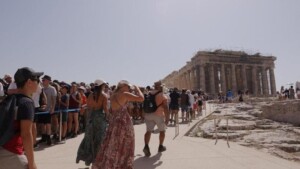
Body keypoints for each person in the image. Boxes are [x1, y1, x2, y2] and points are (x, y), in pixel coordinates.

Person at [92, 80, 144, 169]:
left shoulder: (113, 95)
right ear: (123, 86)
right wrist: (137, 89)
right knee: (125, 144)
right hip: (123, 122)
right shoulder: (125, 94)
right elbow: (141, 98)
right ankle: (122, 165)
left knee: (112, 144)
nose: (129, 88)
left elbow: (111, 110)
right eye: (128, 86)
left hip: (114, 122)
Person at [0, 67, 43, 169]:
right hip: (12, 153)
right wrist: (32, 163)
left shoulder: (10, 99)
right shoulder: (27, 102)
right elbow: (26, 134)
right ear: (29, 82)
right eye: (37, 79)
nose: (39, 83)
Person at [76, 79, 108, 166]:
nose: (105, 86)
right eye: (104, 85)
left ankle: (88, 158)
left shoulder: (90, 95)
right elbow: (105, 109)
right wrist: (110, 117)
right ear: (101, 86)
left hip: (91, 118)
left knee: (89, 137)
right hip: (100, 119)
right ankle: (97, 158)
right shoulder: (104, 96)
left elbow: (88, 106)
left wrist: (83, 108)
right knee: (99, 138)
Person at [143, 81, 170, 157]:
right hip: (158, 115)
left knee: (148, 131)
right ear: (160, 87)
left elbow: (144, 104)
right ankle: (160, 146)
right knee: (162, 131)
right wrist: (167, 119)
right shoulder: (162, 95)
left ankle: (146, 146)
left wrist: (143, 114)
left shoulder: (148, 94)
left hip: (148, 114)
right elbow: (165, 107)